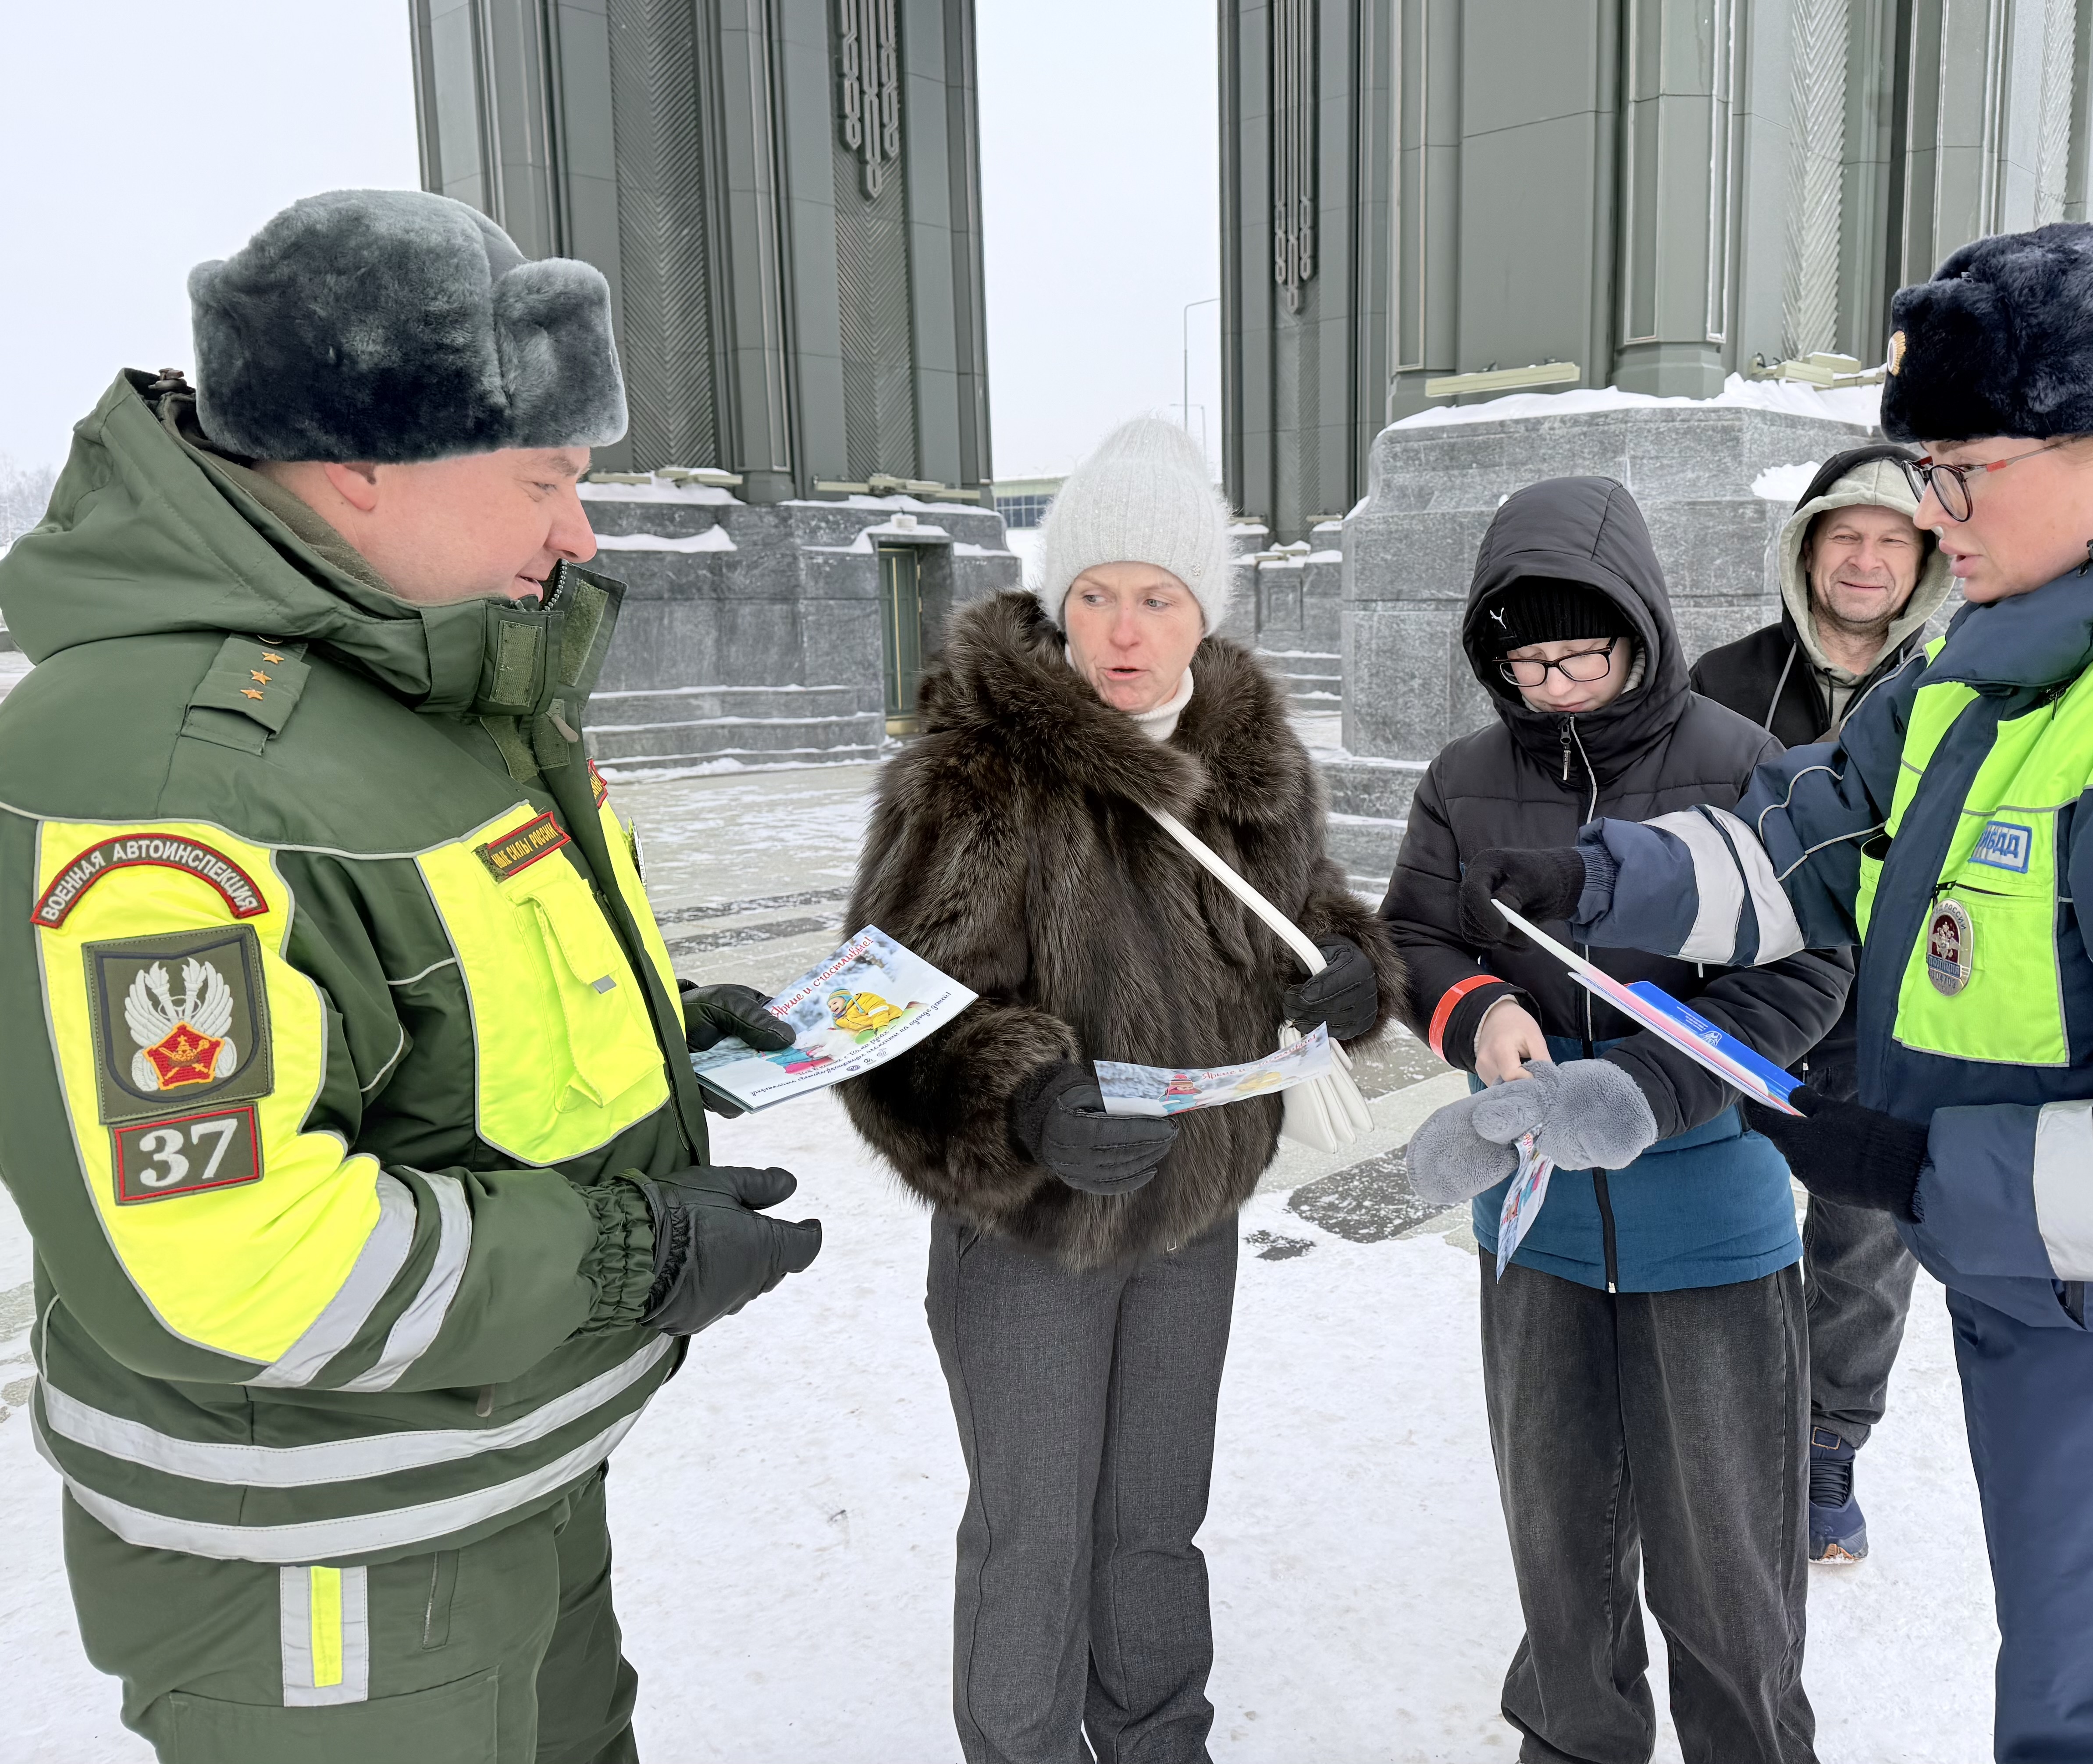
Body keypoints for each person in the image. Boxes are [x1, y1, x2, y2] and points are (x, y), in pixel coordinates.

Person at [1459, 222, 2093, 1764]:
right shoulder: (2002, 661)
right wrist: (1608, 878)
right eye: (1919, 469)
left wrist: (1925, 1166)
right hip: (2043, 1286)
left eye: (1961, 471)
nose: (1926, 513)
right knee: (2068, 1703)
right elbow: (1809, 834)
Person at [0, 189, 825, 1762]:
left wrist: (661, 1039)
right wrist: (620, 1260)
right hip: (322, 1559)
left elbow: (427, 1010)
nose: (578, 534)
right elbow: (227, 1259)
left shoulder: (412, 674)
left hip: (484, 1473)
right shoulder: (174, 772)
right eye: (546, 479)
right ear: (362, 462)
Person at [837, 416, 1401, 1764]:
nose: (1124, 628)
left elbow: (1299, 912)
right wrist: (1026, 1101)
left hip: (1192, 1214)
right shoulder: (975, 764)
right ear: (1057, 599)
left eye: (1158, 597)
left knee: (1155, 1513)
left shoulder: (1255, 757)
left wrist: (1352, 969)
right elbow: (879, 1014)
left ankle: (1160, 1738)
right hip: (1029, 1230)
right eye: (1096, 594)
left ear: (1203, 609)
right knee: (1036, 1526)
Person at [1385, 476, 1851, 1764]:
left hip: (1709, 1219)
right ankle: (1574, 1742)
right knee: (1558, 1536)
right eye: (1523, 660)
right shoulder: (1464, 776)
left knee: (1729, 1558)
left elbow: (1809, 968)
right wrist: (1474, 1013)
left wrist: (1648, 1085)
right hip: (1531, 1225)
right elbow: (1413, 933)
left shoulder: (1741, 763)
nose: (1553, 685)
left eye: (1578, 652)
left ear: (1638, 627)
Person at [1689, 447, 1951, 1563]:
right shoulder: (1724, 680)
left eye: (1894, 540)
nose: (1867, 558)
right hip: (1750, 1000)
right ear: (1805, 550)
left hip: (1889, 1014)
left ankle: (1828, 1439)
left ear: (1927, 562)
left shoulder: (1966, 682)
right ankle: (1714, 1432)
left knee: (1864, 1235)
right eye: (1846, 534)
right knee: (1722, 1220)